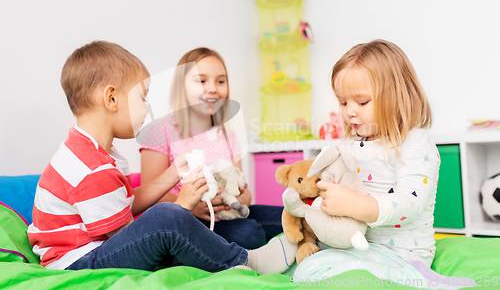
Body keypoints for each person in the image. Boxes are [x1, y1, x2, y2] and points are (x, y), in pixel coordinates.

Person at [27, 41, 297, 274]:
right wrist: (181, 205)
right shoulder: (90, 167)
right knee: (167, 216)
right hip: (82, 261)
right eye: (143, 99)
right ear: (111, 99)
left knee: (187, 218)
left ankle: (314, 224)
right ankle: (248, 260)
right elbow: (129, 233)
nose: (147, 108)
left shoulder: (95, 154)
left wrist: (171, 175)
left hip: (97, 247)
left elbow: (127, 204)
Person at [295, 40, 475, 289]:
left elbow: (410, 203)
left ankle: (418, 278)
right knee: (304, 266)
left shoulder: (413, 142)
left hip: (402, 255)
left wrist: (356, 204)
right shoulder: (351, 143)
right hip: (359, 245)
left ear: (396, 95)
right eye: (343, 102)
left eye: (362, 102)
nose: (349, 112)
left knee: (315, 272)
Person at [140, 48, 283, 249]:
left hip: (228, 213)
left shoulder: (227, 135)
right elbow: (150, 197)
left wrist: (240, 198)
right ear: (182, 87)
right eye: (202, 81)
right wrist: (191, 207)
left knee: (289, 217)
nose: (213, 88)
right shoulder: (159, 130)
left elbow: (243, 188)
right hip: (186, 219)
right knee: (249, 234)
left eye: (220, 81)